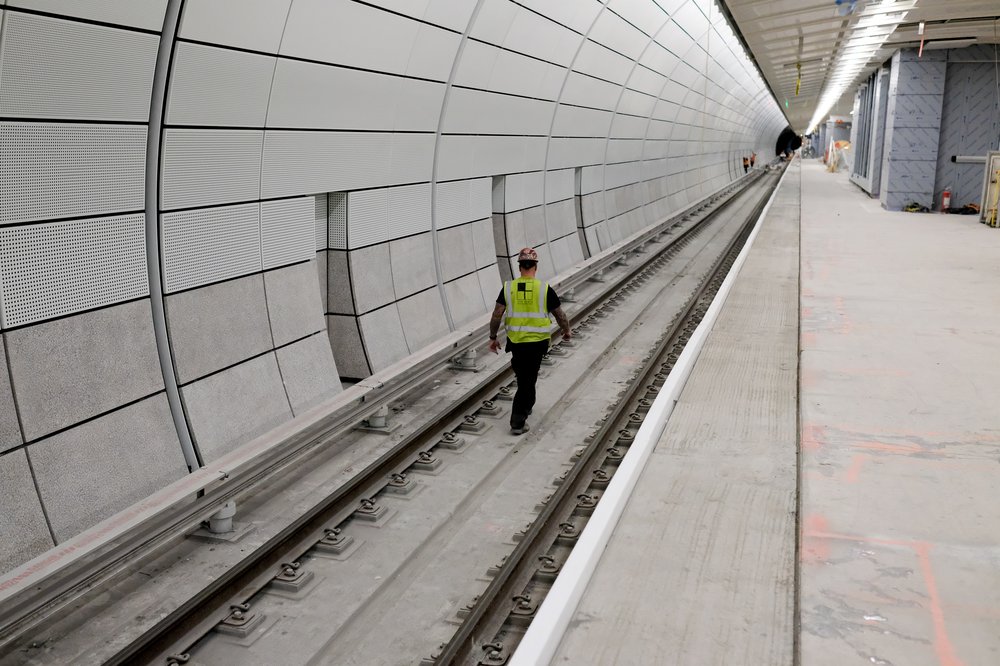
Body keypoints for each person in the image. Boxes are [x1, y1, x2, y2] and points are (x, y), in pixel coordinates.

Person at [488, 247, 572, 435]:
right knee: (527, 380)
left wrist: (493, 337)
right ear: (535, 266)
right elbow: (560, 314)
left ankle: (527, 405)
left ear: (519, 267)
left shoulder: (508, 288)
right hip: (536, 342)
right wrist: (566, 330)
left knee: (525, 377)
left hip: (516, 342)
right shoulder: (544, 289)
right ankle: (517, 421)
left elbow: (496, 315)